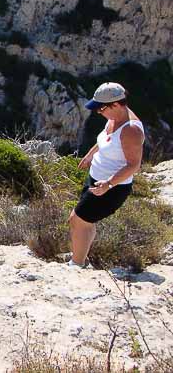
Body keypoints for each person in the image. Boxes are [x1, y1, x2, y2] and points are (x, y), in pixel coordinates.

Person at [70, 83, 143, 268]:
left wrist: (108, 184)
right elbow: (105, 139)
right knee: (86, 221)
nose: (98, 112)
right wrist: (90, 155)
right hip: (96, 179)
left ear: (116, 105)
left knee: (77, 220)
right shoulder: (113, 118)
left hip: (112, 187)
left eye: (101, 108)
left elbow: (134, 165)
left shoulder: (131, 130)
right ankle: (81, 256)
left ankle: (76, 264)